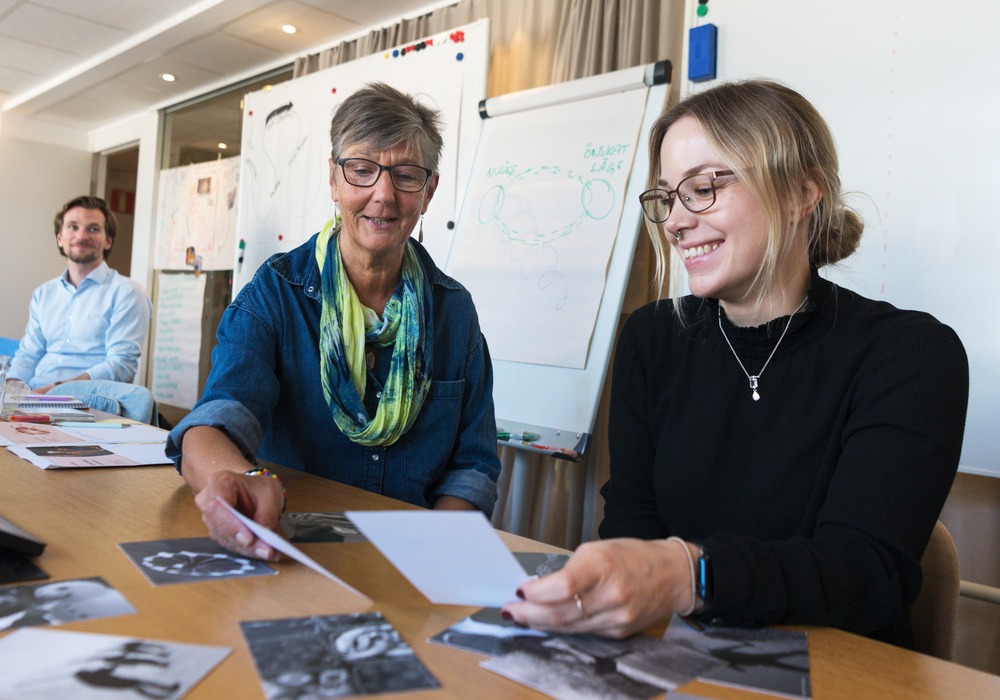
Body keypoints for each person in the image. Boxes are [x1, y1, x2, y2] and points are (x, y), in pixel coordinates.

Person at [502, 79, 969, 650]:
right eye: (667, 198)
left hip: (835, 668)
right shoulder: (652, 339)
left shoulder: (910, 355)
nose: (674, 221)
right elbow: (632, 524)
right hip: (672, 654)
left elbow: (865, 573)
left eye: (702, 188)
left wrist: (688, 573)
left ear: (802, 192)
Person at [167, 83, 501, 560]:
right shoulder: (277, 292)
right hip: (292, 547)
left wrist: (430, 551)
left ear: (429, 192)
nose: (382, 195)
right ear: (334, 180)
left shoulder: (454, 312)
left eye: (406, 175)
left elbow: (473, 468)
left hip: (412, 556)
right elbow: (215, 420)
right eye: (362, 171)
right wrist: (238, 481)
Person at [8, 196, 152, 393]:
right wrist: (9, 391)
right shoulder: (43, 294)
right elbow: (28, 355)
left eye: (93, 229)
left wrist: (53, 391)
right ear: (60, 238)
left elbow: (121, 365)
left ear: (108, 241)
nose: (81, 236)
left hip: (90, 402)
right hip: (33, 397)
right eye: (73, 227)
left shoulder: (127, 293)